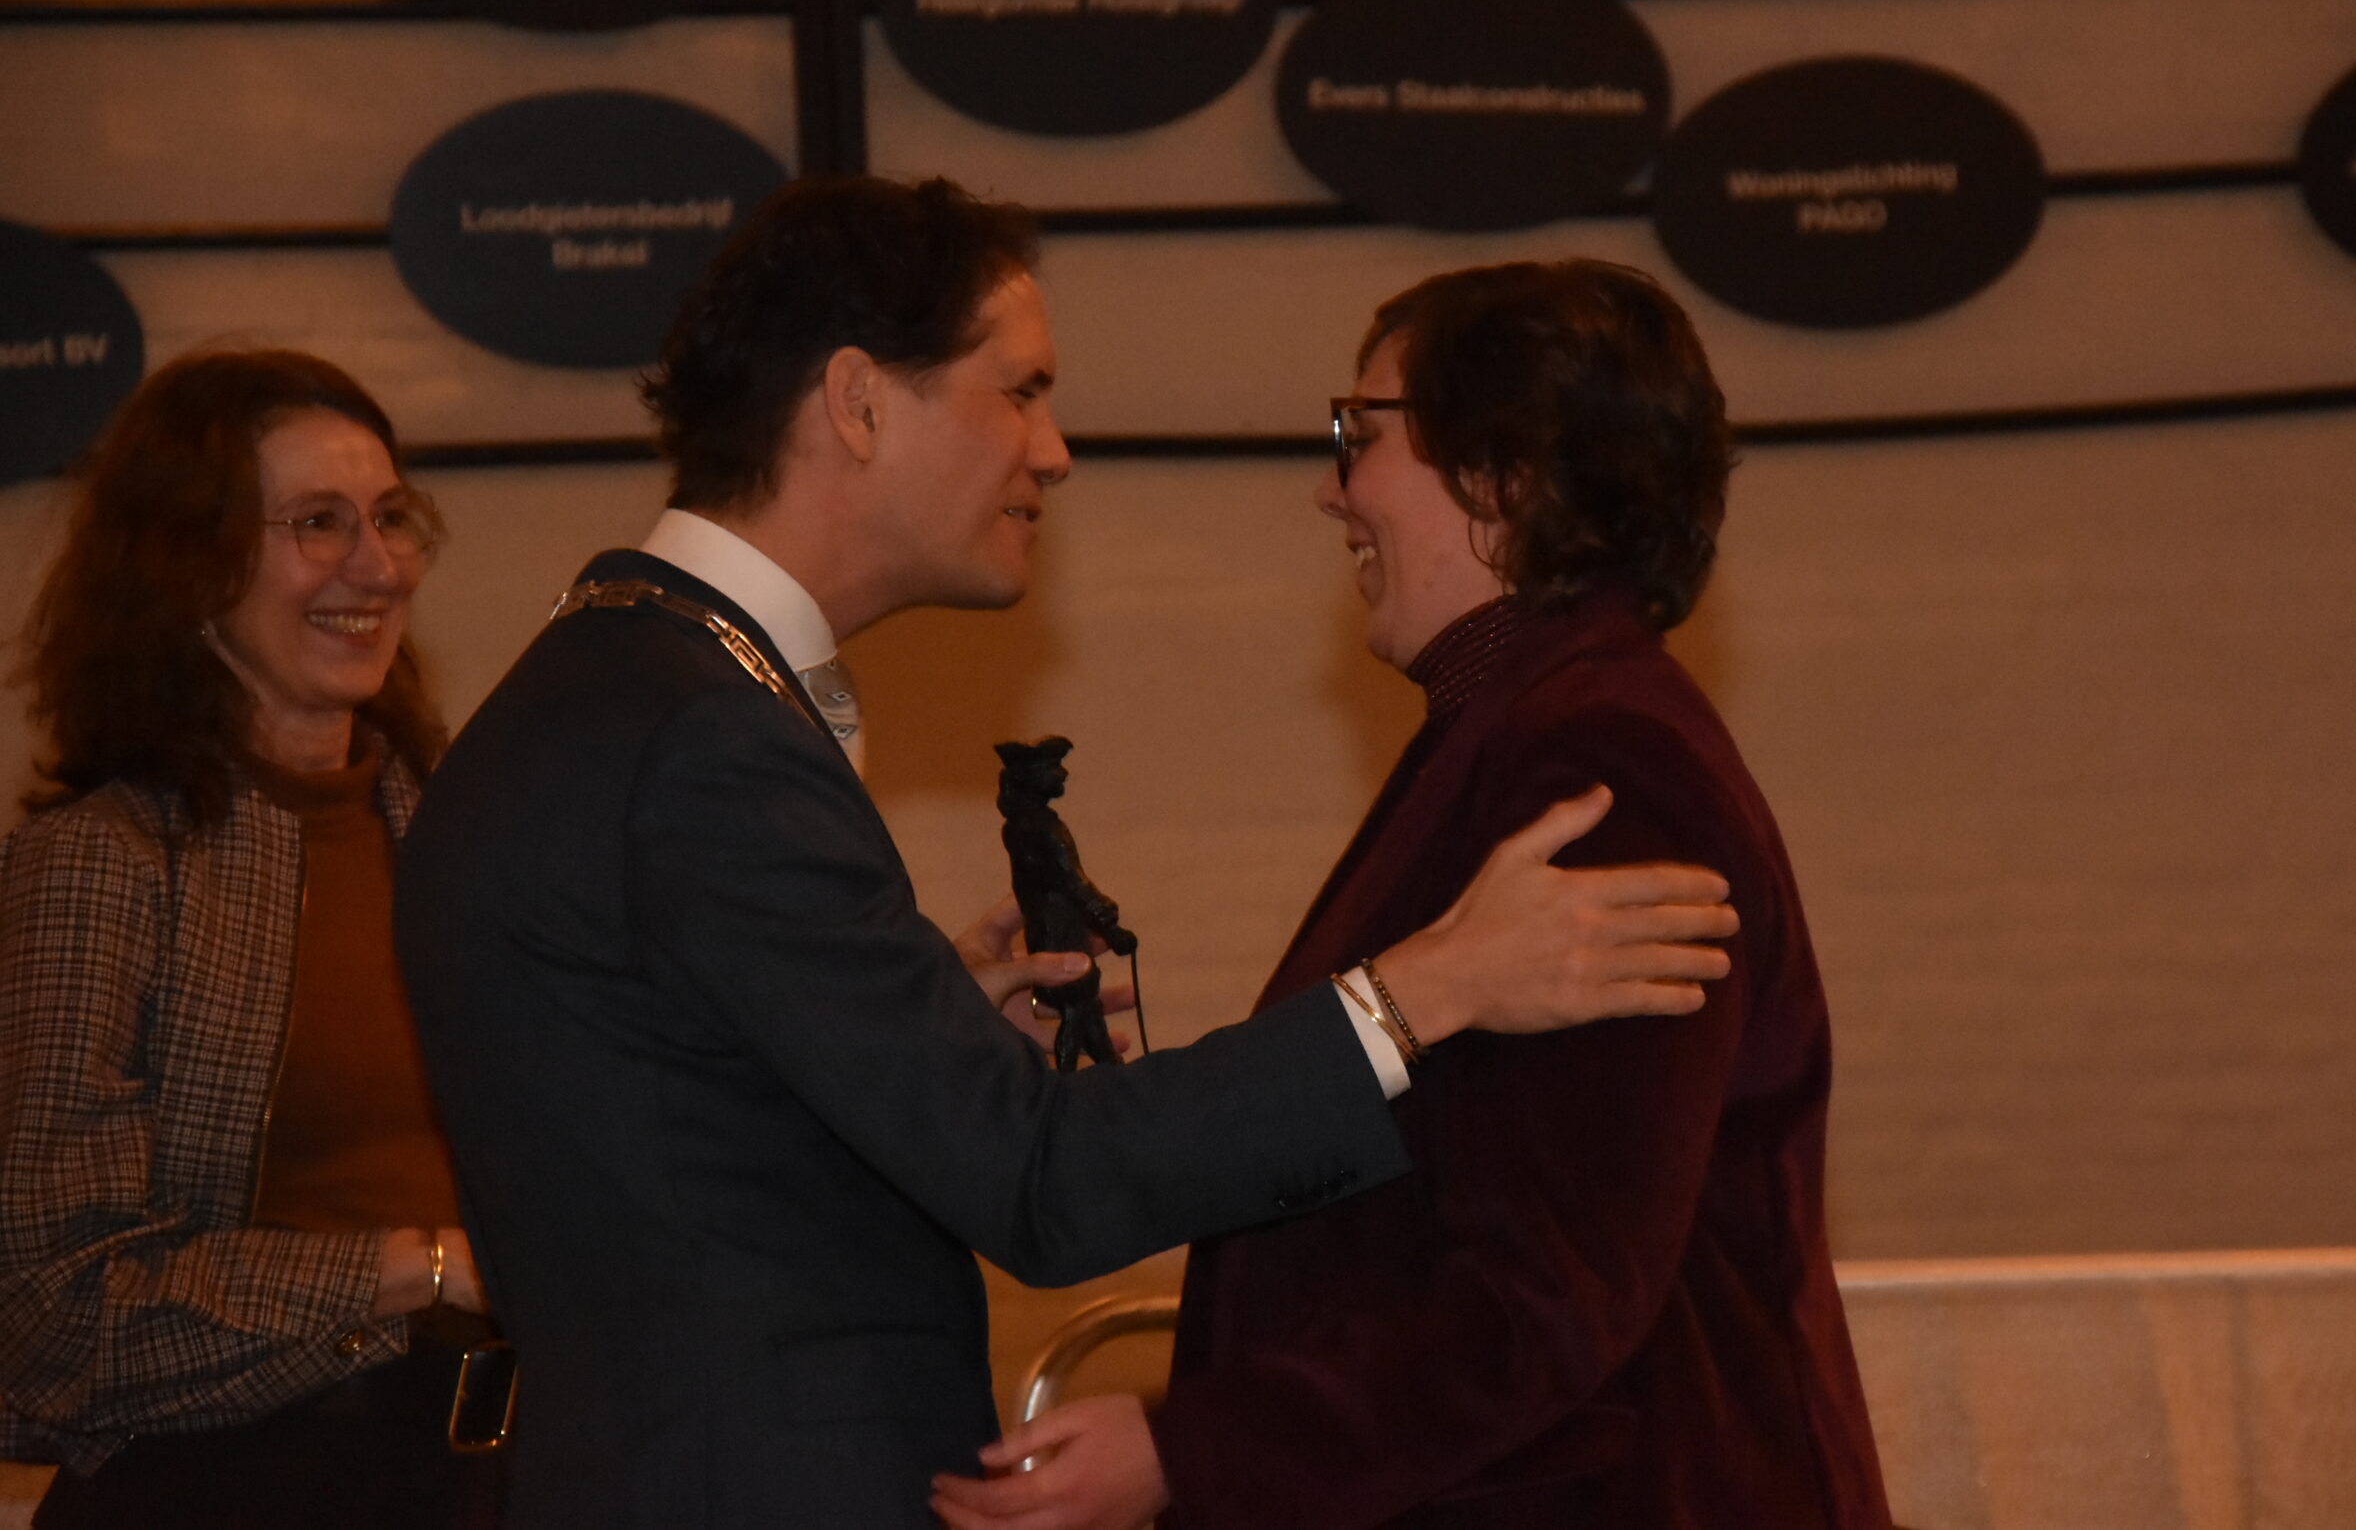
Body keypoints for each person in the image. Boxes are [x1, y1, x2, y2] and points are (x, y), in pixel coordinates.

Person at [393, 177, 1742, 1530]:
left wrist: (920, 1035)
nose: (1053, 452)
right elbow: (1044, 1182)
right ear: (859, 402)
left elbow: (675, 1132)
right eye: (1021, 390)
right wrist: (1417, 993)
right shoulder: (702, 738)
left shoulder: (620, 682)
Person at [933, 260, 1893, 1530]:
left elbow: (1557, 1289)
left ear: (1504, 474)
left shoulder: (1598, 767)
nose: (1330, 488)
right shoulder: (1517, 731)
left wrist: (1194, 1452)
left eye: (1361, 432)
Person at [0, 350, 506, 1528]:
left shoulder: (461, 827)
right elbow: (46, 1316)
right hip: (231, 1491)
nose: (377, 566)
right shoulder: (105, 864)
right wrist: (424, 1267)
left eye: (389, 518)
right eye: (317, 523)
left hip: (484, 1476)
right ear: (189, 566)